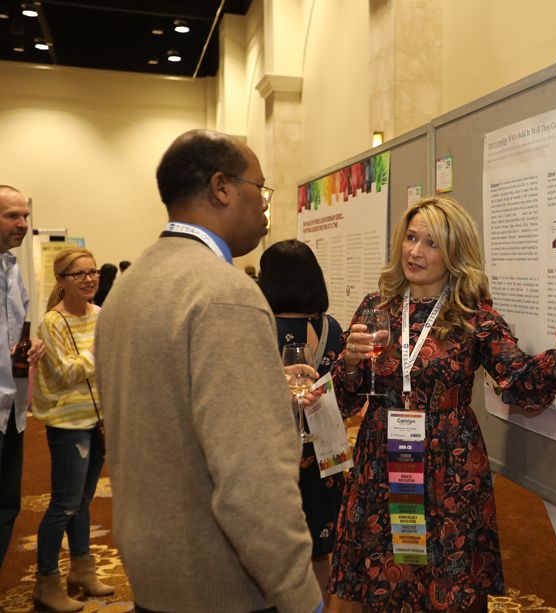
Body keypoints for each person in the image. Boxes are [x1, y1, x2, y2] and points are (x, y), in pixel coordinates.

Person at [95, 130, 324, 613]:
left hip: (153, 565)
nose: (265, 205)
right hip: (220, 580)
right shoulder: (225, 295)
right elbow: (252, 481)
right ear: (222, 188)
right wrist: (302, 597)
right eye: (260, 188)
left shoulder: (130, 286)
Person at [327, 196, 556, 612]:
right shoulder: (376, 307)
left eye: (431, 243)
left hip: (449, 464)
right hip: (382, 458)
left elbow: (517, 380)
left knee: (447, 583)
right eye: (411, 238)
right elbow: (343, 398)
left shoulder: (473, 316)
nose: (415, 251)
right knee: (386, 576)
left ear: (454, 252)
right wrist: (352, 364)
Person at [259, 239, 346, 603]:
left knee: (273, 545)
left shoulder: (260, 327)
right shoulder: (332, 327)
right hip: (325, 446)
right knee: (320, 546)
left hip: (275, 448)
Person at [32, 248, 111, 611]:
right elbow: (66, 373)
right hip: (68, 424)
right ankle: (46, 582)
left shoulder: (101, 314)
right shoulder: (53, 321)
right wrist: (96, 351)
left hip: (98, 421)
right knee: (63, 505)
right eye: (79, 274)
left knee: (83, 502)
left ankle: (82, 569)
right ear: (61, 280)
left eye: (92, 272)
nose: (89, 279)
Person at [0, 185, 45, 572]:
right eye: (12, 216)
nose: (22, 224)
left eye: (25, 216)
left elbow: (18, 332)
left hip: (12, 408)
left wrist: (33, 347)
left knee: (7, 504)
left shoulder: (12, 270)